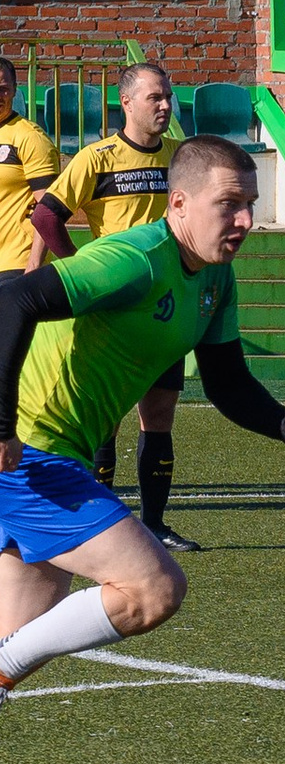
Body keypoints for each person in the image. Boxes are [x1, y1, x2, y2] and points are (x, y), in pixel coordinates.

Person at [0, 136, 285, 699]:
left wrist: (284, 423)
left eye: (251, 203)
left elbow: (227, 381)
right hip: (28, 455)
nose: (246, 220)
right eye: (228, 204)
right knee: (152, 589)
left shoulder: (214, 278)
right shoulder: (134, 258)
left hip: (59, 457)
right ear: (178, 204)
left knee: (14, 657)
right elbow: (13, 302)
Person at [31, 60, 197, 548]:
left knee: (159, 417)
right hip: (114, 313)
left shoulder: (182, 158)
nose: (165, 105)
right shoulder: (96, 158)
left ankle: (155, 525)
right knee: (105, 420)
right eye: (155, 98)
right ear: (126, 102)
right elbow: (45, 217)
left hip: (165, 310)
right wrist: (84, 270)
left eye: (168, 97)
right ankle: (100, 527)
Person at [0, 58, 61, 273]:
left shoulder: (30, 137)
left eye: (4, 89)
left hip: (16, 265)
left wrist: (33, 268)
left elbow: (49, 209)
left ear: (15, 91)